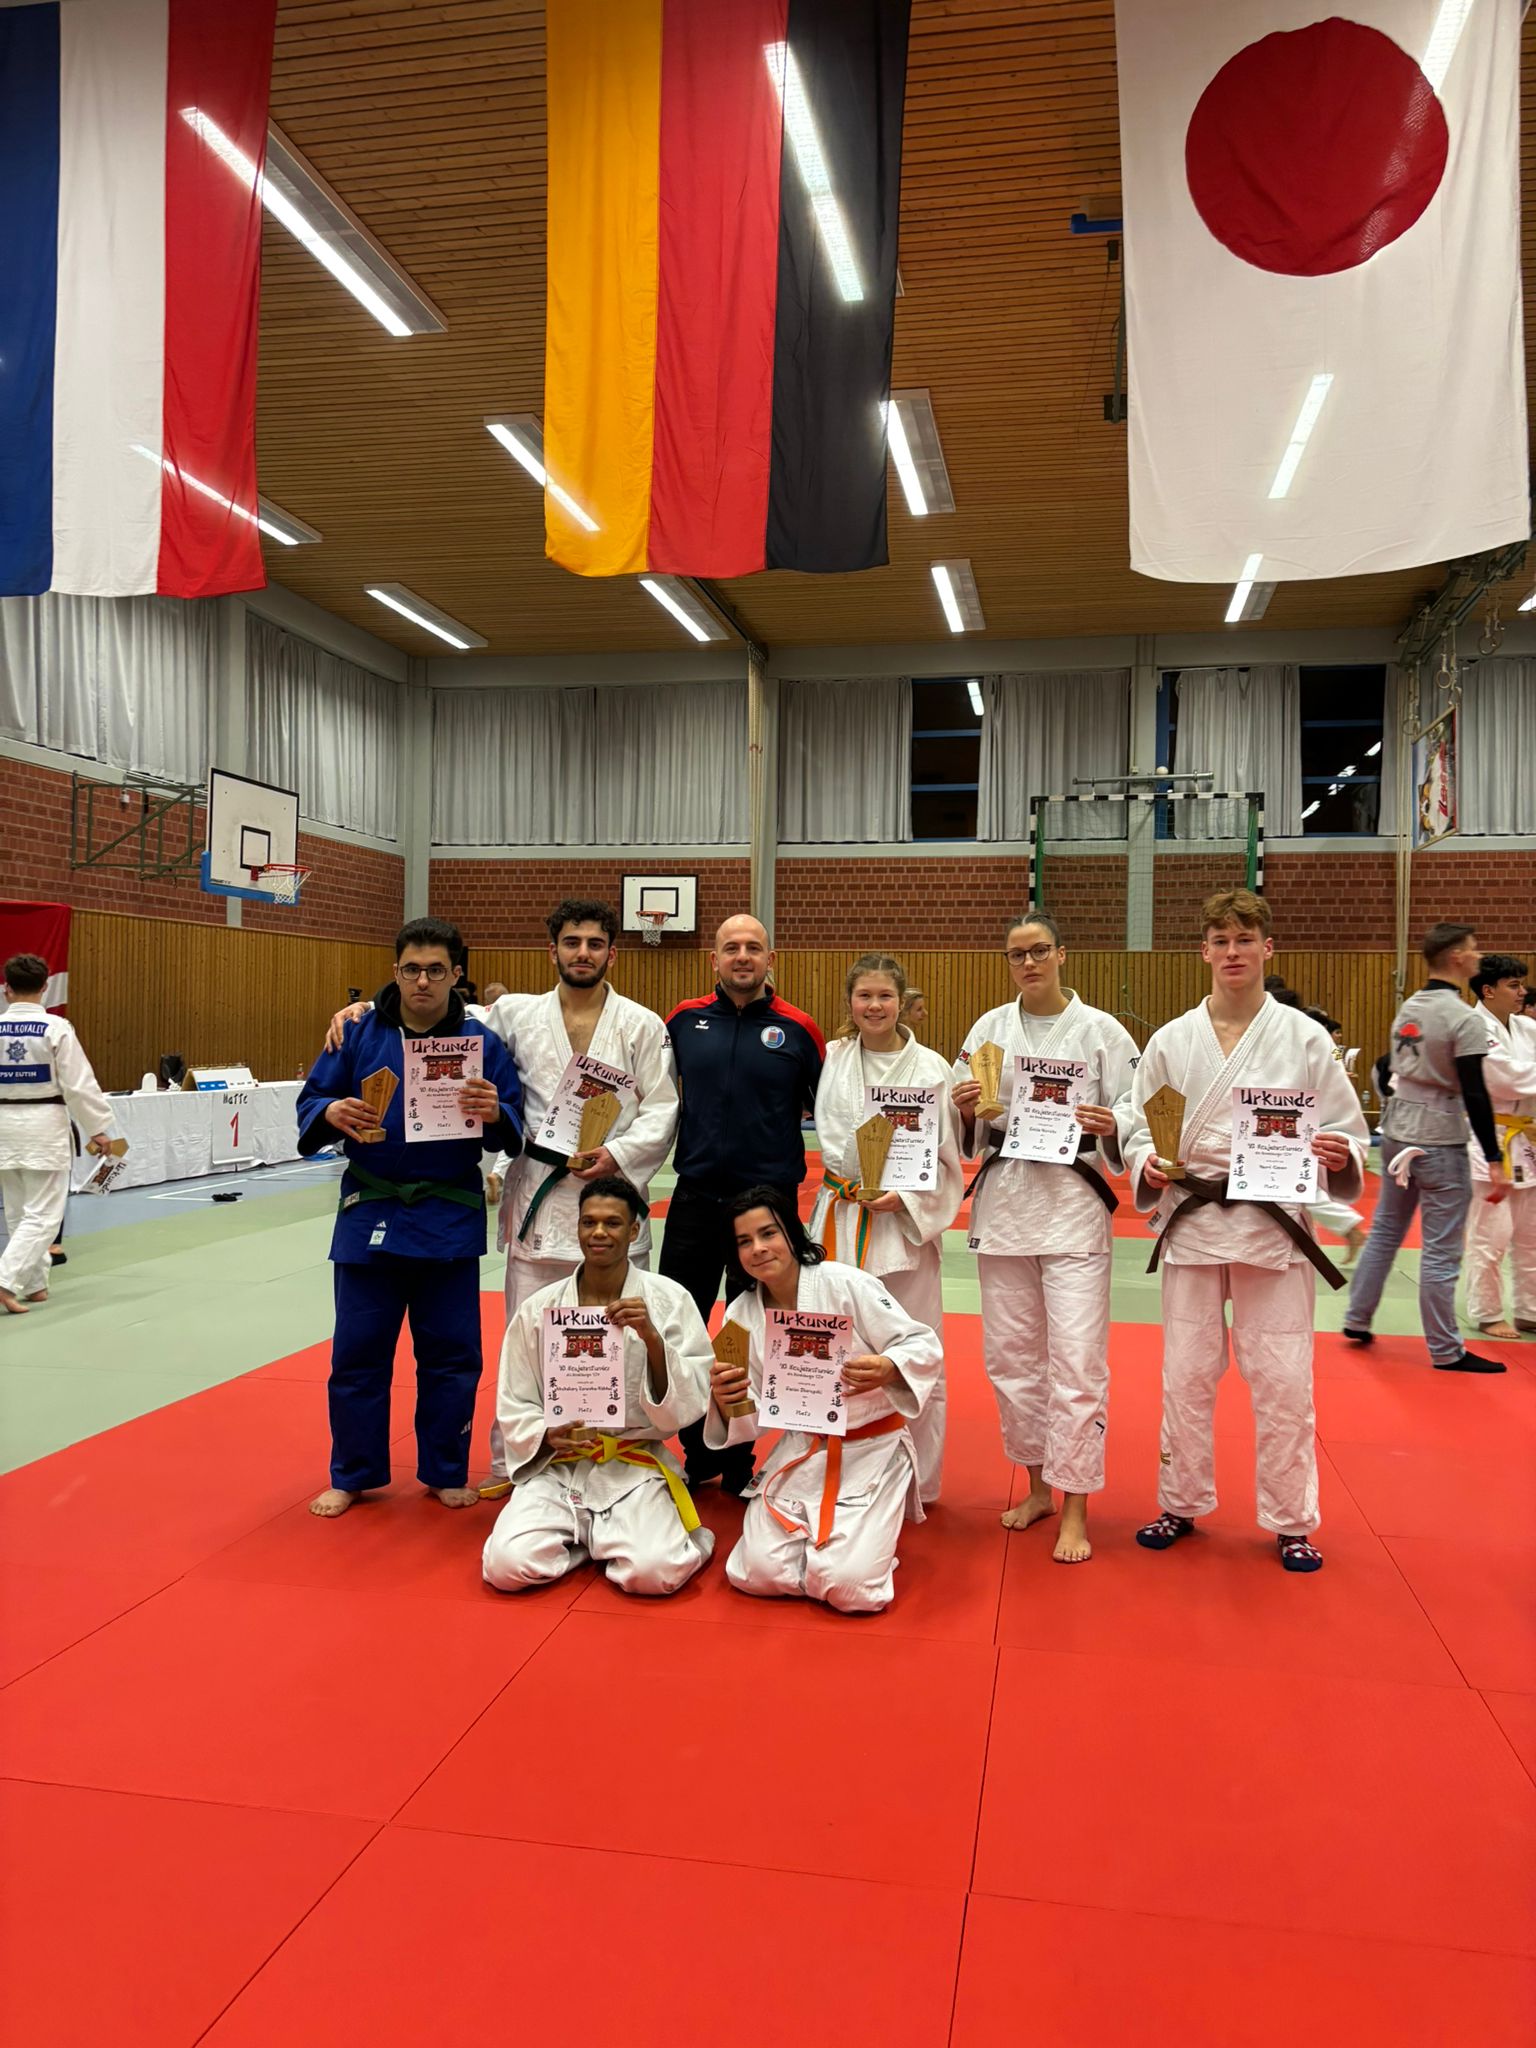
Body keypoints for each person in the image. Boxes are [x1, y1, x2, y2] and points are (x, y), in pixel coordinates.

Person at [326, 899, 678, 1498]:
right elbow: (438, 1006)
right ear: (554, 951)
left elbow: (664, 1108)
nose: (583, 953)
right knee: (529, 1342)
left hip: (610, 1202)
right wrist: (366, 1006)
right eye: (572, 943)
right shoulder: (513, 1014)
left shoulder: (642, 1025)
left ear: (612, 953)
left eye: (595, 943)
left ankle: (617, 1453)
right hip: (539, 1205)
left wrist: (616, 1157)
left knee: (612, 1341)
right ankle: (519, 1461)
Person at [1124, 890, 1369, 1573]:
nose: (1233, 952)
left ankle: (1291, 1519)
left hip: (1271, 1228)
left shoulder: (1305, 1037)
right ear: (1203, 951)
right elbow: (1142, 1126)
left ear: (1268, 948)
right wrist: (1147, 1158)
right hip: (1196, 1222)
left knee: (1285, 1378)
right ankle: (1180, 1501)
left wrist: (1340, 1152)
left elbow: (1347, 1128)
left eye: (1245, 939)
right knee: (1186, 1375)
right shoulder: (1172, 1039)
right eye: (1220, 941)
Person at [298, 917, 523, 1517]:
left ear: (457, 975)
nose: (422, 981)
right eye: (411, 969)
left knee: (451, 1356)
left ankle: (445, 1468)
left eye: (435, 970)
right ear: (395, 971)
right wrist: (331, 1113)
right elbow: (310, 1104)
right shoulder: (357, 1033)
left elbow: (516, 1123)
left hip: (447, 1213)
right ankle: (353, 1472)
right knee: (357, 1352)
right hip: (369, 1208)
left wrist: (494, 1111)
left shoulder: (483, 1045)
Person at [951, 913, 1138, 1563]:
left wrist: (1113, 1123)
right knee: (1011, 1362)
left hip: (1074, 1208)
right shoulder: (986, 1030)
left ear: (1063, 954)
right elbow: (961, 1119)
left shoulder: (1102, 1033)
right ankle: (1037, 1489)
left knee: (1078, 1365)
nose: (1028, 964)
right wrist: (965, 1107)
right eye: (1015, 955)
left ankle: (1077, 1507)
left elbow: (1135, 1118)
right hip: (1005, 1207)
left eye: (1038, 952)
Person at [705, 1185, 942, 1614]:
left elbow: (921, 1344)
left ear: (792, 1234)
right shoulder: (740, 1315)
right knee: (755, 1574)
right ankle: (831, 1550)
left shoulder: (847, 1284)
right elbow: (752, 1411)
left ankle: (849, 1550)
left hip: (872, 1449)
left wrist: (890, 1366)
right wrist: (728, 1399)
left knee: (851, 1589)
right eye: (744, 1241)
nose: (758, 1249)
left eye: (768, 1233)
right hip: (802, 1447)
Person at [482, 1176, 715, 1596]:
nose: (599, 1233)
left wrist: (652, 1339)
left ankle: (620, 1536)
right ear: (578, 1228)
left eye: (612, 1223)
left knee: (654, 1574)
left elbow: (692, 1397)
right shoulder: (541, 1308)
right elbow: (515, 1395)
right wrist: (544, 1434)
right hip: (560, 1463)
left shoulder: (668, 1299)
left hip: (632, 1462)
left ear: (635, 1230)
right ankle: (593, 1544)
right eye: (589, 1223)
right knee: (505, 1567)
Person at [662, 914, 825, 1494]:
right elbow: (652, 1095)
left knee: (755, 1331)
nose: (742, 956)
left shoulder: (798, 1029)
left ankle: (740, 1455)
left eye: (753, 947)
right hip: (695, 1198)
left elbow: (829, 1109)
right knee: (681, 1323)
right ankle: (692, 1448)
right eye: (731, 947)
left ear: (770, 958)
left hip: (768, 1206)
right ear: (714, 958)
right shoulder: (683, 1021)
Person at [808, 954, 962, 1502]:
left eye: (885, 996)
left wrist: (910, 1200)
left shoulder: (932, 1069)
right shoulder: (830, 1059)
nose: (874, 1006)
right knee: (835, 1345)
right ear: (850, 1002)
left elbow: (947, 1161)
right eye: (864, 996)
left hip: (904, 1226)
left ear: (903, 1002)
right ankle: (839, 1468)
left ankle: (918, 1480)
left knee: (916, 1348)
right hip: (841, 1214)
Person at [1345, 924, 1510, 1373]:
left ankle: (1356, 1318)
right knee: (1440, 1248)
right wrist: (1494, 1158)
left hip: (1399, 1129)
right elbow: (1475, 1092)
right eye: (1473, 950)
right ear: (1456, 957)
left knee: (1385, 1230)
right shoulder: (1463, 1018)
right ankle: (1445, 1349)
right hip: (1439, 1138)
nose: (1479, 956)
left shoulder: (1409, 1008)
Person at [0, 954, 118, 1315]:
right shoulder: (55, 1028)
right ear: (46, 986)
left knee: (19, 1210)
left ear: (5, 989)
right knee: (45, 1215)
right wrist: (98, 1129)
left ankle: (34, 1284)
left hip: (3, 1123)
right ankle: (5, 1281)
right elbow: (79, 1086)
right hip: (43, 1124)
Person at [1462, 956, 1536, 1340]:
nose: (1522, 991)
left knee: (1532, 1235)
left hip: (1526, 1140)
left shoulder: (1525, 1027)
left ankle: (1530, 1310)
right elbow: (1504, 1078)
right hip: (1488, 1140)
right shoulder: (1474, 1028)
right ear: (1488, 990)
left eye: (1522, 984)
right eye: (1513, 984)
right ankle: (1487, 1311)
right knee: (1492, 1235)